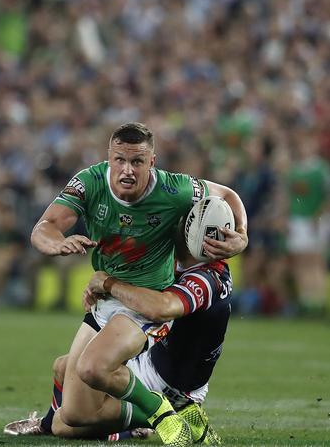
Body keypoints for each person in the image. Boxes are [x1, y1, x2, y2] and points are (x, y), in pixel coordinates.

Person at [29, 122, 247, 445]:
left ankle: (160, 411)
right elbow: (45, 226)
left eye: (137, 162)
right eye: (120, 160)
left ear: (152, 162)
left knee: (93, 367)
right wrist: (55, 243)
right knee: (73, 415)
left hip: (144, 302)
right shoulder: (89, 183)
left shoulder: (175, 190)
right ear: (109, 158)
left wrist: (241, 236)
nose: (127, 170)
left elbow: (228, 195)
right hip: (104, 299)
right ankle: (167, 411)